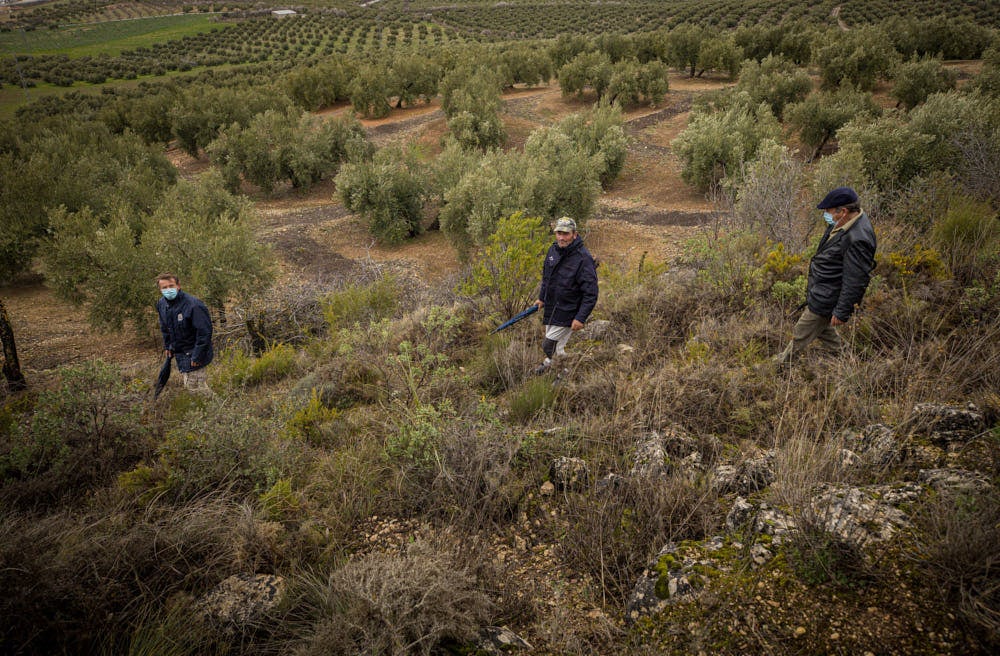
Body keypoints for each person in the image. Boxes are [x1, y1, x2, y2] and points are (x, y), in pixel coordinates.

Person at [774, 187, 877, 364]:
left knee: (801, 333)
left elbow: (856, 279)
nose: (826, 216)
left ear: (843, 211)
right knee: (824, 330)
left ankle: (780, 365)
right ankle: (848, 360)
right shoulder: (842, 224)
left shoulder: (858, 239)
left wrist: (842, 310)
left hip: (827, 296)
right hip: (822, 290)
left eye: (828, 212)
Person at [533, 217, 599, 375]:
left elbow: (591, 292)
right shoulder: (553, 250)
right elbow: (547, 278)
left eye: (566, 234)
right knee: (557, 345)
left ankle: (564, 372)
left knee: (548, 345)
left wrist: (580, 318)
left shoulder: (583, 259)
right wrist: (542, 298)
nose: (561, 237)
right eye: (559, 233)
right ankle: (550, 362)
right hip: (552, 307)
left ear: (574, 234)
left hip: (569, 311)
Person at [156, 273, 214, 392]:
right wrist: (168, 346)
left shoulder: (193, 305)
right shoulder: (162, 304)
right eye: (164, 287)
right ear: (160, 289)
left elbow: (204, 332)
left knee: (196, 388)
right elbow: (165, 327)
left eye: (171, 286)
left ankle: (219, 409)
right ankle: (214, 408)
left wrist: (197, 356)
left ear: (178, 286)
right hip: (180, 352)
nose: (168, 290)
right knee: (193, 387)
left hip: (194, 352)